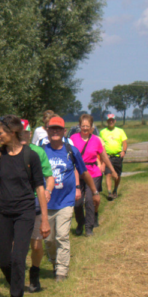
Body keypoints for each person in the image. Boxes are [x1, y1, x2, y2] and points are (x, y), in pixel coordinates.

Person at [0, 115, 50, 297]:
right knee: (3, 259)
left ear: (12, 132)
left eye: (0, 132)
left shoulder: (30, 156)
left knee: (18, 257)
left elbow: (40, 187)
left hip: (25, 212)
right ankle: (17, 282)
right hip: (3, 212)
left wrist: (45, 219)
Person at [42, 116, 100, 281]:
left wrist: (94, 191)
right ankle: (54, 262)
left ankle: (62, 270)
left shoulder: (71, 151)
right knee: (49, 239)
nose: (55, 131)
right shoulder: (41, 151)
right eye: (52, 128)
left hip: (65, 201)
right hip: (47, 202)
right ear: (47, 130)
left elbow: (83, 172)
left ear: (64, 132)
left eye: (58, 129)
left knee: (62, 236)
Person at [20, 119, 54, 293]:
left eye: (26, 132)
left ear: (30, 133)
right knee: (16, 244)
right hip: (17, 202)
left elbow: (49, 176)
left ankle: (34, 274)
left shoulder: (38, 152)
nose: (23, 135)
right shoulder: (9, 152)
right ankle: (17, 278)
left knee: (36, 244)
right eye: (20, 132)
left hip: (35, 201)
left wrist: (47, 191)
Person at [69, 114, 117, 236]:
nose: (85, 128)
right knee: (78, 202)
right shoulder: (73, 138)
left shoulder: (96, 140)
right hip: (78, 172)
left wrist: (112, 170)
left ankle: (89, 227)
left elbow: (104, 156)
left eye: (88, 126)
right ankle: (80, 223)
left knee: (90, 200)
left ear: (91, 127)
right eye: (83, 126)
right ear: (79, 126)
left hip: (93, 173)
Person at [100, 114, 128, 201]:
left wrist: (124, 151)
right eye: (109, 120)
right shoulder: (102, 132)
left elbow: (124, 142)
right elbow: (100, 144)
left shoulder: (120, 131)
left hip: (117, 156)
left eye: (112, 120)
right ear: (107, 121)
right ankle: (109, 192)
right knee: (108, 174)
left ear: (115, 121)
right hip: (107, 156)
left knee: (117, 175)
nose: (111, 122)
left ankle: (115, 189)